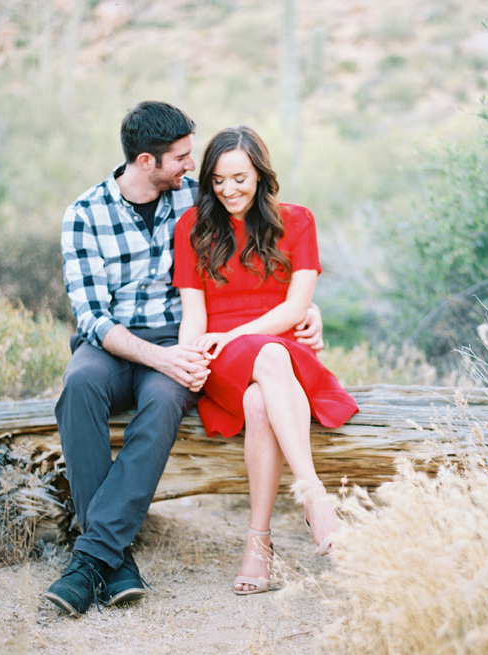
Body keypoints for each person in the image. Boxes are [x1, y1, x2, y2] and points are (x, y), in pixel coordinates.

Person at [43, 102, 325, 617]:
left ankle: (90, 561)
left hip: (180, 342)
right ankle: (108, 555)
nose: (192, 167)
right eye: (181, 158)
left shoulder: (196, 203)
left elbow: (253, 256)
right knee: (78, 387)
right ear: (146, 161)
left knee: (163, 402)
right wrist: (162, 357)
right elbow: (92, 318)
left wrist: (308, 310)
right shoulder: (85, 214)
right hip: (113, 344)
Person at [173, 125, 359, 595]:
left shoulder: (297, 221)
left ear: (260, 174)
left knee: (262, 397)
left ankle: (259, 542)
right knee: (267, 361)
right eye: (218, 180)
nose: (228, 190)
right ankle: (314, 497)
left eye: (239, 178)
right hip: (223, 359)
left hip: (279, 347)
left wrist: (233, 335)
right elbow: (194, 315)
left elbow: (296, 309)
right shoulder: (192, 226)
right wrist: (190, 356)